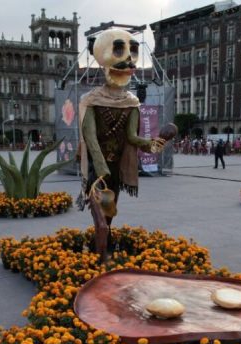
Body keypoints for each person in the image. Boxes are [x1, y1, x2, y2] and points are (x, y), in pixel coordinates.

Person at [76, 29, 165, 259]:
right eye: (118, 51)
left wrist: (150, 144)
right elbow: (89, 136)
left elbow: (132, 137)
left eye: (131, 54)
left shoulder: (131, 103)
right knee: (99, 212)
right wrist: (99, 165)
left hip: (115, 168)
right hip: (98, 169)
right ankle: (101, 247)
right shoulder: (91, 100)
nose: (127, 62)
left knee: (110, 210)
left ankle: (102, 245)